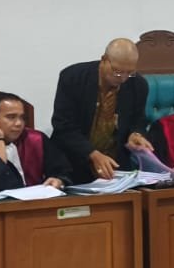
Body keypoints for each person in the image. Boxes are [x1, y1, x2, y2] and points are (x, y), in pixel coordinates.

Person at [51, 38, 153, 182]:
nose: (123, 78)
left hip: (114, 167)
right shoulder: (73, 78)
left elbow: (139, 121)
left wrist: (136, 134)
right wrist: (93, 154)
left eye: (129, 72)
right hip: (72, 163)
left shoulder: (138, 85)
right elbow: (63, 126)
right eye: (118, 72)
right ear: (104, 59)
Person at [0, 92, 73, 194]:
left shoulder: (36, 139)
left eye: (22, 117)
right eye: (11, 117)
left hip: (36, 205)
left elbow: (62, 170)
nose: (19, 123)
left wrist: (59, 180)